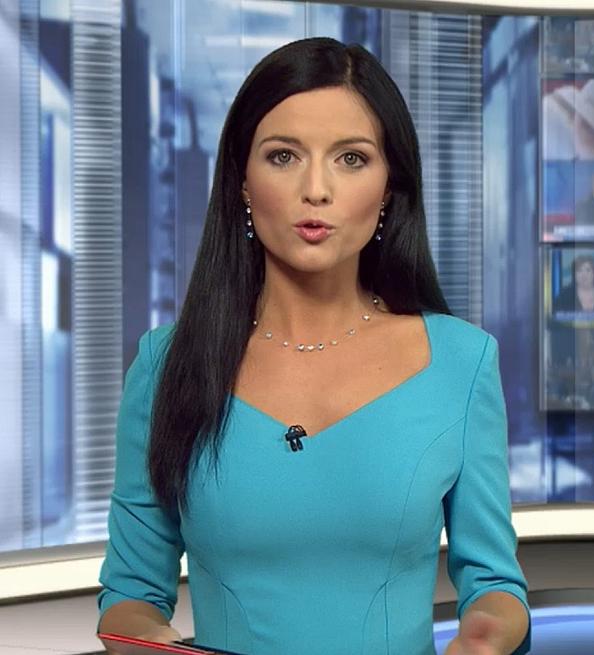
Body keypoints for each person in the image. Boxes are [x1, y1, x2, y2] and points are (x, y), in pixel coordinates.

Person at [97, 37, 530, 655]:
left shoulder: (461, 362)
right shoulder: (165, 367)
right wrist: (143, 638)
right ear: (242, 182)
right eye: (284, 156)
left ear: (389, 187)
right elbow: (131, 594)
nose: (317, 189)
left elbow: (494, 583)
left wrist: (488, 635)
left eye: (351, 159)